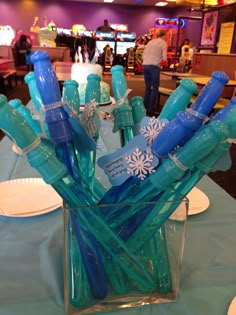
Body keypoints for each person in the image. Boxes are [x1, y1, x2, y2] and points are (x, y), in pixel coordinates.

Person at [142, 29, 167, 117]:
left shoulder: (150, 42)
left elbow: (143, 55)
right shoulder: (163, 43)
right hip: (154, 67)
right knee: (155, 88)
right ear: (164, 35)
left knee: (148, 88)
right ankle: (151, 110)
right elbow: (164, 58)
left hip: (145, 65)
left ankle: (144, 108)